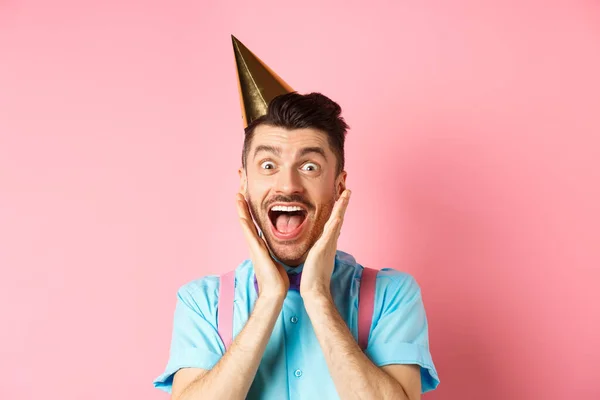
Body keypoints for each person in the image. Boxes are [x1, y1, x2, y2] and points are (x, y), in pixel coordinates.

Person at [153, 37, 440, 400]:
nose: (288, 185)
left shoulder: (390, 296)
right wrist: (270, 297)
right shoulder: (203, 302)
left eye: (309, 166)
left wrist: (318, 296)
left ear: (339, 186)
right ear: (244, 182)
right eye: (268, 165)